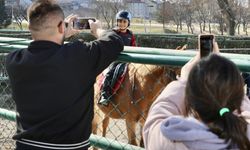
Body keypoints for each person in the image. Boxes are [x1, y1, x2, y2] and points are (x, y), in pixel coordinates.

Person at [5, 0, 124, 150]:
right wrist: (98, 30)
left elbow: (42, 52)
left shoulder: (14, 60)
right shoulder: (79, 55)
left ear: (29, 27)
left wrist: (60, 34)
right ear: (62, 26)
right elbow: (114, 41)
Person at [143, 41, 250, 150]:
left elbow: (161, 109)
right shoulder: (245, 139)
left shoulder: (166, 140)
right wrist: (226, 76)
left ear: (190, 99)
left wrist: (184, 80)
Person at [98, 10, 136, 105]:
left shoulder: (130, 35)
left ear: (128, 23)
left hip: (127, 60)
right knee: (110, 71)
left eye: (124, 21)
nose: (122, 24)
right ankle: (105, 94)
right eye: (120, 21)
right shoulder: (113, 33)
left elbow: (134, 47)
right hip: (115, 59)